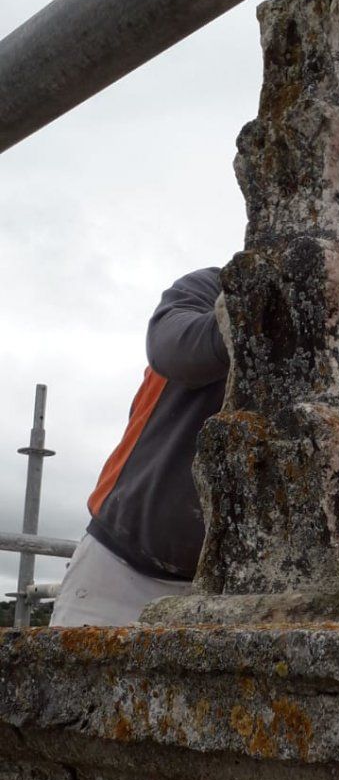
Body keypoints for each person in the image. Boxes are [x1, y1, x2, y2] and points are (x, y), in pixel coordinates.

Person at [51, 268, 228, 627]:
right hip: (117, 567)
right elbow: (173, 348)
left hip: (222, 591)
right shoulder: (212, 287)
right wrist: (262, 317)